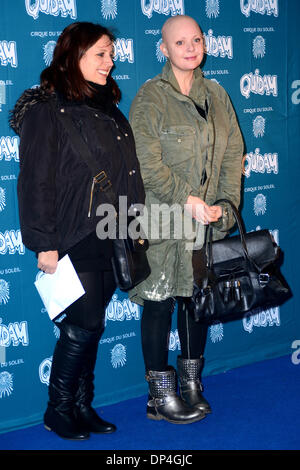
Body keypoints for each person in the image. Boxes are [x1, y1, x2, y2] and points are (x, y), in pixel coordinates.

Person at [10, 22, 145, 440]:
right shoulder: (47, 110)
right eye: (101, 54)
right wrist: (43, 244)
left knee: (93, 324)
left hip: (113, 233)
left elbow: (128, 175)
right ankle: (58, 409)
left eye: (111, 54)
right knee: (82, 325)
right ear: (74, 57)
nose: (111, 61)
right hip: (74, 234)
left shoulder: (109, 108)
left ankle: (83, 406)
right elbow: (36, 182)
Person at [129, 15, 244, 424]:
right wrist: (188, 199)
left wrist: (225, 205)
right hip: (164, 219)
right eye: (180, 43)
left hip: (205, 219)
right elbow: (146, 162)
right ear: (164, 49)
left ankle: (192, 384)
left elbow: (232, 154)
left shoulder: (216, 94)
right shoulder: (150, 98)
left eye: (196, 40)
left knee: (196, 302)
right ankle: (159, 394)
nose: (191, 48)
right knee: (159, 302)